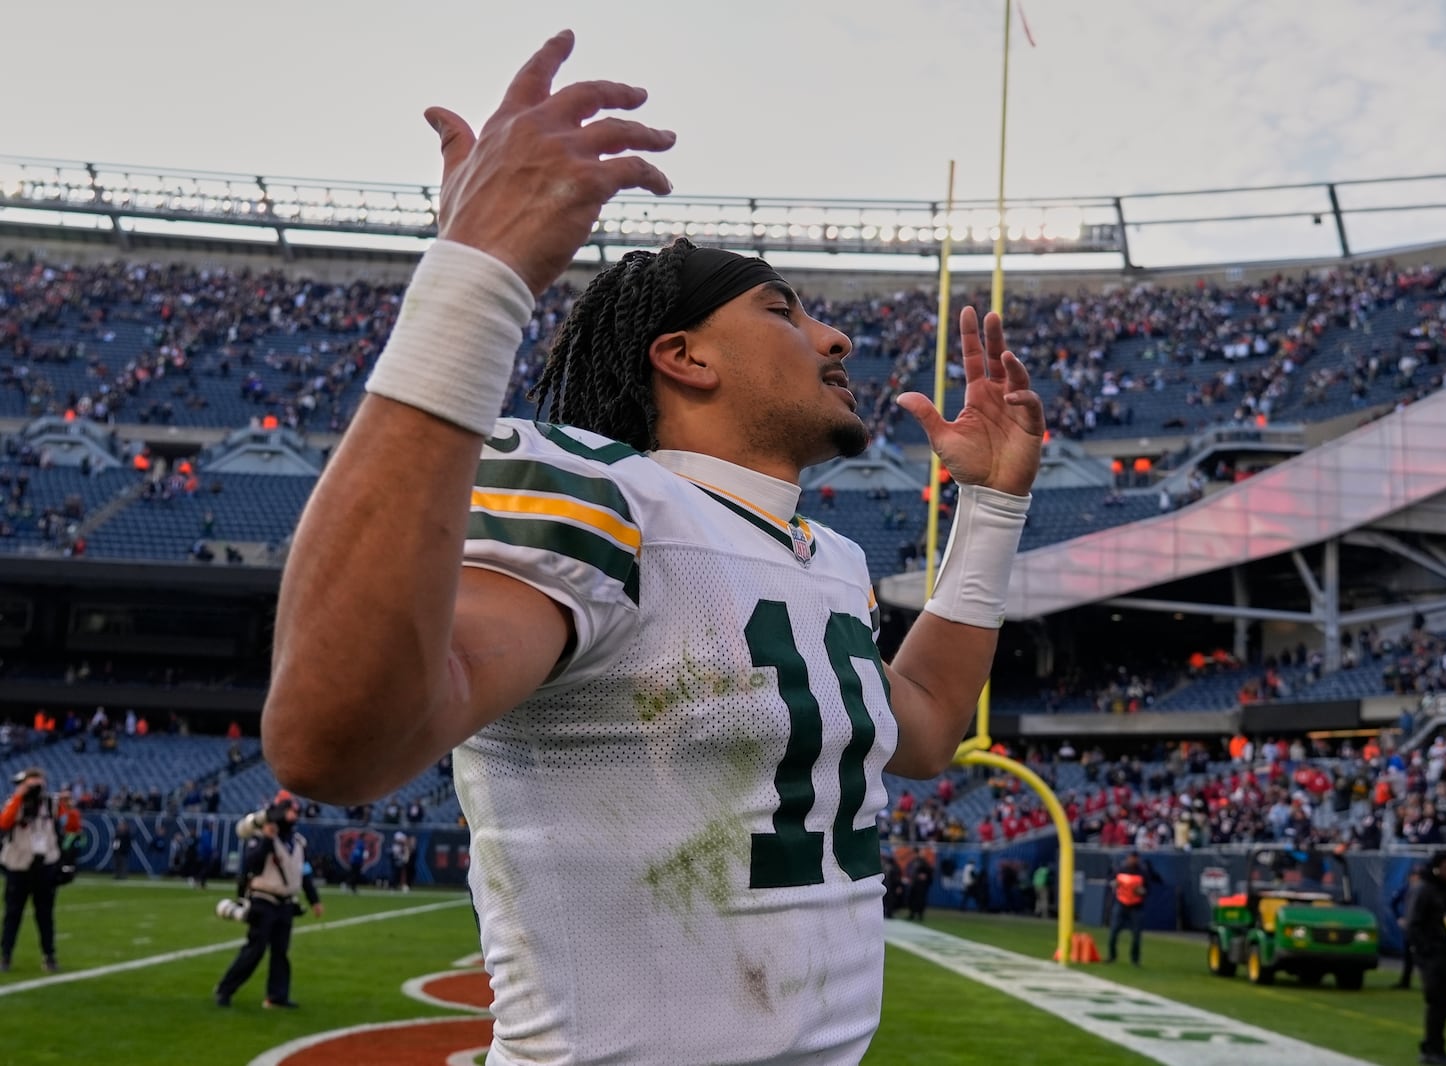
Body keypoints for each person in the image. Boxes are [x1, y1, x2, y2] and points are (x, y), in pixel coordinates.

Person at [259, 30, 1043, 1066]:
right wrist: (476, 276)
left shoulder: (826, 557)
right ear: (683, 356)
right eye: (782, 310)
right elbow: (333, 743)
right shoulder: (605, 499)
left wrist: (989, 511)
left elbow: (932, 727)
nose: (834, 338)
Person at [214, 792, 324, 1008]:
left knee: (281, 952)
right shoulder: (262, 837)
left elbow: (304, 872)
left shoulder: (299, 842)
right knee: (255, 949)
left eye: (296, 811)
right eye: (290, 811)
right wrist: (266, 839)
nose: (294, 815)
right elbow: (251, 864)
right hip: (263, 900)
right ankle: (225, 988)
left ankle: (277, 996)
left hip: (285, 903)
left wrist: (314, 900)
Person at [0, 768, 79, 972]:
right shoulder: (15, 802)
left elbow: (73, 826)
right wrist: (21, 795)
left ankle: (49, 956)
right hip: (19, 864)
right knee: (12, 914)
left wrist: (70, 807)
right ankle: (5, 956)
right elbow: (4, 822)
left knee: (45, 915)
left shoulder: (51, 803)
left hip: (44, 865)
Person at [1405, 850, 1446, 1066]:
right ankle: (1433, 1049)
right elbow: (1413, 924)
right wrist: (1426, 952)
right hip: (1434, 956)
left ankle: (1433, 1046)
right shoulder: (1424, 890)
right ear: (1437, 868)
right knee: (1437, 1003)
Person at [1107, 851, 1148, 965]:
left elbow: (1147, 889)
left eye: (1135, 858)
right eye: (1131, 858)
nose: (1133, 860)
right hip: (1121, 903)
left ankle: (1135, 959)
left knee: (1136, 935)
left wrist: (1142, 892)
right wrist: (1114, 884)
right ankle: (1112, 955)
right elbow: (1111, 882)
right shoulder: (1120, 870)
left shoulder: (1142, 872)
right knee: (1113, 931)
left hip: (1136, 905)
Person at [1390, 861, 1424, 990]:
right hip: (1411, 925)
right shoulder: (1407, 888)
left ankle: (1428, 981)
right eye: (1415, 875)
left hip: (1422, 927)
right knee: (1409, 955)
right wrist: (1399, 917)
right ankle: (1405, 981)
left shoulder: (1425, 890)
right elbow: (1393, 902)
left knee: (1422, 956)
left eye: (1418, 875)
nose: (1416, 878)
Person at [904, 851, 933, 922]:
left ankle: (920, 915)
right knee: (912, 900)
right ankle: (912, 914)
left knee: (920, 900)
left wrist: (925, 878)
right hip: (914, 884)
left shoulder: (924, 863)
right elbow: (909, 870)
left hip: (921, 886)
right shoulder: (912, 862)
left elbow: (928, 873)